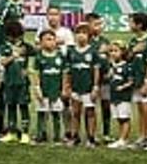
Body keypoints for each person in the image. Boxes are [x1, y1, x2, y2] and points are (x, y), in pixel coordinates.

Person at [66, 15, 106, 148]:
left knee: (90, 112)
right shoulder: (71, 51)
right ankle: (75, 136)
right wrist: (67, 86)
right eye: (78, 33)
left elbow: (96, 70)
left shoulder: (93, 52)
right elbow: (68, 71)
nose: (81, 35)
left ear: (88, 35)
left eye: (84, 33)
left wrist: (95, 86)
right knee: (75, 112)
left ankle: (91, 137)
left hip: (88, 88)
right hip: (75, 87)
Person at [126, 12, 147, 150]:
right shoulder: (133, 41)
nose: (129, 25)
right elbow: (127, 58)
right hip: (136, 81)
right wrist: (134, 50)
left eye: (131, 22)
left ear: (139, 25)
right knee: (140, 109)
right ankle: (142, 137)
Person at [30, 28, 66, 145]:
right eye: (46, 40)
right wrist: (37, 88)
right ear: (41, 42)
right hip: (44, 90)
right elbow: (36, 74)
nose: (50, 42)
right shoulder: (39, 57)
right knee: (41, 113)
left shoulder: (60, 56)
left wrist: (64, 88)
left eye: (52, 39)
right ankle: (41, 135)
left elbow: (65, 73)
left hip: (56, 90)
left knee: (56, 114)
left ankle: (57, 137)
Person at [104, 42, 135, 149]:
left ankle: (123, 139)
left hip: (123, 97)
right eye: (111, 51)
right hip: (114, 96)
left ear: (122, 52)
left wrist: (123, 87)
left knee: (124, 118)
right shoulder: (111, 66)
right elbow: (107, 78)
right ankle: (122, 138)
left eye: (116, 51)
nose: (113, 53)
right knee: (118, 118)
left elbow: (131, 81)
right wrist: (109, 75)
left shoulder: (127, 66)